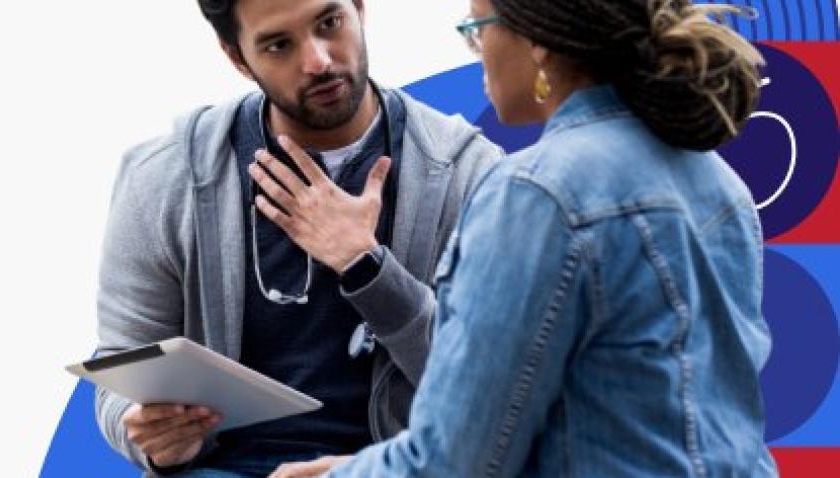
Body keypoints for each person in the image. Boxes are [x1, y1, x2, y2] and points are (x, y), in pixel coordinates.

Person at [273, 0, 778, 476]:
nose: (478, 57)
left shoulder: (537, 193)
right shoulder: (716, 179)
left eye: (476, 32)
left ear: (538, 44)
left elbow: (455, 463)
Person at [93, 0, 501, 476]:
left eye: (329, 24)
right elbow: (122, 367)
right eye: (279, 45)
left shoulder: (470, 175)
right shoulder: (164, 178)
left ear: (360, 10)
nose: (318, 61)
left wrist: (367, 265)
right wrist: (147, 432)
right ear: (237, 57)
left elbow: (496, 386)